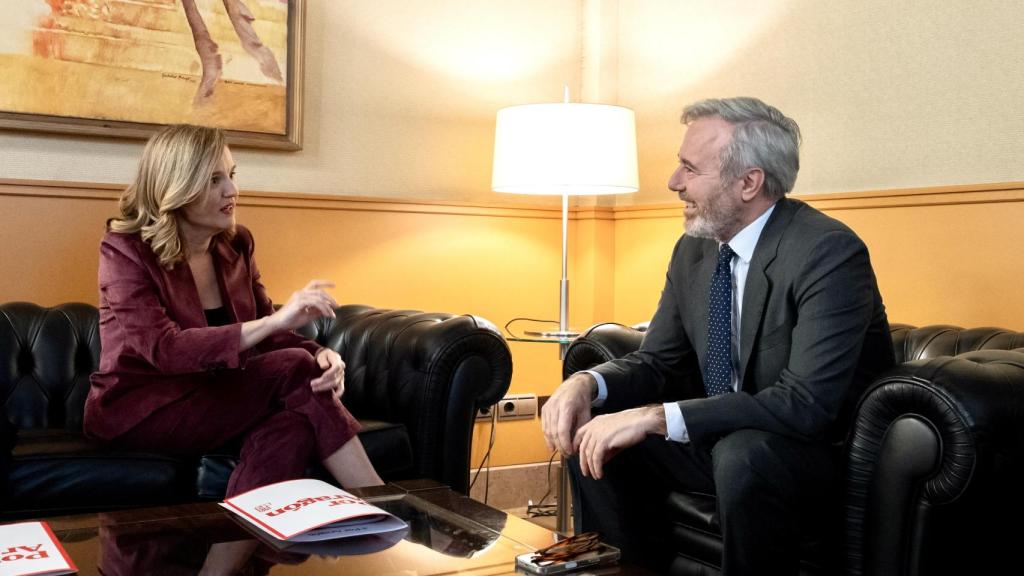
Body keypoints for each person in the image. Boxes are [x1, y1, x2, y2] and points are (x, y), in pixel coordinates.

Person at [541, 97, 894, 575]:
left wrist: (655, 417)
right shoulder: (695, 249)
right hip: (726, 436)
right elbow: (658, 361)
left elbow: (805, 405)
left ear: (749, 182)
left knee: (742, 453)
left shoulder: (827, 252)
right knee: (596, 432)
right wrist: (587, 383)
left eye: (690, 168)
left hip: (812, 451)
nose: (674, 182)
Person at [84, 124, 383, 503]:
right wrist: (277, 325)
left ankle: (235, 540)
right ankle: (383, 504)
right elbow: (164, 349)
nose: (232, 190)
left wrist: (322, 354)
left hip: (218, 397)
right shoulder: (125, 250)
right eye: (214, 180)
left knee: (294, 422)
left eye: (232, 174)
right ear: (177, 187)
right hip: (142, 410)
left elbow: (272, 335)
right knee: (294, 369)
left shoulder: (237, 244)